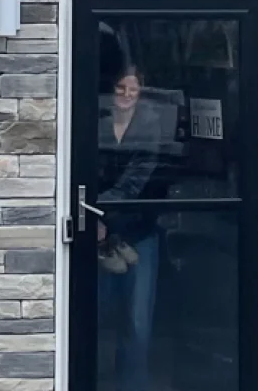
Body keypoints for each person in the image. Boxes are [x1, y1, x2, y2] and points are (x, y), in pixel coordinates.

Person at [96, 63, 165, 391]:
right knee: (96, 314)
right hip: (98, 237)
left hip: (138, 232)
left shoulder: (150, 128)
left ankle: (131, 385)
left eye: (132, 89)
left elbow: (135, 183)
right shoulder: (96, 123)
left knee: (137, 324)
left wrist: (98, 215)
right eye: (121, 88)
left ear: (141, 93)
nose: (125, 95)